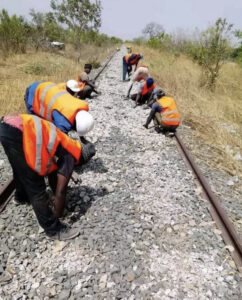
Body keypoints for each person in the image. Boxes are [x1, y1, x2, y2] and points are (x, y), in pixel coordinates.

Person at [0, 114, 96, 240]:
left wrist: (57, 193)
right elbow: (60, 191)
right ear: (82, 160)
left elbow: (52, 175)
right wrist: (58, 214)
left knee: (20, 168)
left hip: (7, 125)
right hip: (19, 133)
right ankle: (53, 229)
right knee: (35, 185)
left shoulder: (65, 142)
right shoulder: (70, 156)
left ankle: (21, 197)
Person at [24, 81, 93, 138]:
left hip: (47, 85)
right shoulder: (62, 121)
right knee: (34, 124)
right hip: (33, 93)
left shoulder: (79, 105)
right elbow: (58, 140)